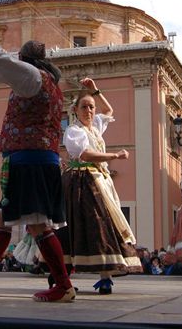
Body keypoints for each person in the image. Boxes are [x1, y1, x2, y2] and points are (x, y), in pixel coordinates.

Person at [0, 29, 74, 302]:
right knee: (3, 216)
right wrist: (3, 140)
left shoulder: (32, 76)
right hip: (31, 158)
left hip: (31, 163)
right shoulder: (49, 83)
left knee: (38, 224)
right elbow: (36, 123)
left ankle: (63, 285)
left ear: (24, 58)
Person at [59, 78, 142, 294]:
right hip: (80, 182)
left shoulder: (95, 127)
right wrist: (114, 155)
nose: (89, 110)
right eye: (84, 107)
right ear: (75, 110)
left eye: (91, 107)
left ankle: (106, 276)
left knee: (104, 224)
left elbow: (109, 109)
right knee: (80, 224)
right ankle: (61, 275)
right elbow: (85, 154)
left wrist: (94, 90)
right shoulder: (73, 132)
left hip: (99, 180)